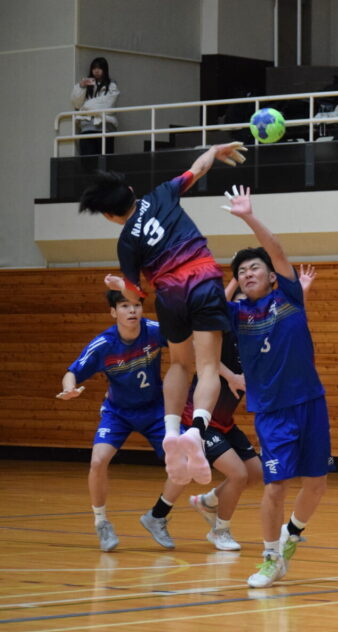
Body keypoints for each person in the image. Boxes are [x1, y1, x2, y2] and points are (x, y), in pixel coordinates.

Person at [78, 142, 247, 490]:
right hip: (202, 282)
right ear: (131, 190)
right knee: (207, 367)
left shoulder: (126, 242)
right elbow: (198, 168)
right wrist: (215, 150)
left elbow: (135, 295)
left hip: (170, 296)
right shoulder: (161, 194)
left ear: (110, 216)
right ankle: (196, 432)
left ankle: (171, 431)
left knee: (180, 365)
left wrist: (119, 285)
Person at [222, 186, 332, 589]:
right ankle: (271, 558)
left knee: (317, 483)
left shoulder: (289, 296)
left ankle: (292, 534)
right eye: (241, 272)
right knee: (275, 485)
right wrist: (232, 280)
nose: (247, 274)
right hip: (271, 410)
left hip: (310, 402)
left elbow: (277, 250)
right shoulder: (237, 314)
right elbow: (212, 307)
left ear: (272, 276)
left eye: (255, 268)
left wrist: (248, 217)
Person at [186, 265, 318, 551]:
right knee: (239, 475)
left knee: (256, 473)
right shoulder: (224, 333)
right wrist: (235, 280)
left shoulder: (258, 342)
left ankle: (209, 500)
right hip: (200, 420)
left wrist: (302, 293)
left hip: (225, 422)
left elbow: (290, 323)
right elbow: (205, 344)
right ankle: (220, 530)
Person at [57, 290, 182, 551]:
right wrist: (70, 389)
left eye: (136, 305)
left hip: (156, 409)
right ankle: (101, 522)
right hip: (118, 413)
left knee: (183, 464)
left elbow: (184, 340)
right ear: (114, 312)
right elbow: (72, 372)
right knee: (98, 460)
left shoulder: (154, 330)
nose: (132, 310)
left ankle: (157, 516)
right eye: (125, 306)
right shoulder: (104, 344)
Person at [71, 57, 120, 156]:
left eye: (99, 68)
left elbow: (107, 105)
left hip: (105, 126)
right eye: (94, 68)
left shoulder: (111, 85)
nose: (96, 71)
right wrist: (81, 87)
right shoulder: (86, 84)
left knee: (105, 160)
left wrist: (84, 108)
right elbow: (76, 104)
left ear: (105, 69)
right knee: (87, 160)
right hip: (86, 127)